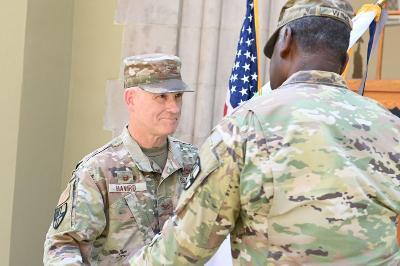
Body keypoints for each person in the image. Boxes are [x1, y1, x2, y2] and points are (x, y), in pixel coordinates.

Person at [129, 1, 400, 265]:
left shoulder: (246, 125)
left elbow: (182, 248)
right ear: (344, 58)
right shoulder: (391, 127)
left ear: (286, 39)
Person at [43, 54, 198, 265]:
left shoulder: (195, 162)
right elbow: (62, 246)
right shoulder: (98, 170)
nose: (174, 108)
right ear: (131, 99)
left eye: (177, 96)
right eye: (161, 97)